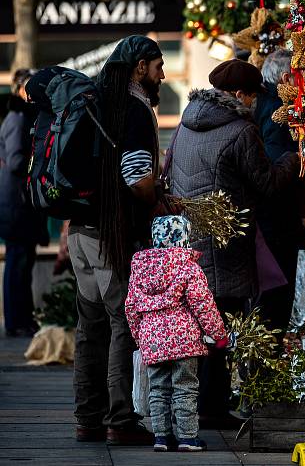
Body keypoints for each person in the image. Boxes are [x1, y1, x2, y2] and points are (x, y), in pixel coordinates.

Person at [166, 59, 299, 427]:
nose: (256, 104)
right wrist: (294, 159)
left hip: (191, 237)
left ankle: (197, 404)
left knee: (202, 321)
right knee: (221, 321)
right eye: (254, 97)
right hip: (226, 241)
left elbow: (168, 171)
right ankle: (211, 407)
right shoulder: (241, 130)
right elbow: (267, 182)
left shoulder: (187, 122)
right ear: (241, 95)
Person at [67, 35, 164, 445]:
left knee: (90, 326)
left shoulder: (96, 104)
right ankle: (119, 421)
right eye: (158, 66)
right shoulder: (134, 111)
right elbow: (137, 176)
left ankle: (87, 419)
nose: (162, 75)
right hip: (111, 235)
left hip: (80, 233)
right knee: (122, 321)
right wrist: (158, 200)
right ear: (140, 67)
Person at [125, 215, 227, 453]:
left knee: (158, 389)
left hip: (152, 340)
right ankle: (188, 438)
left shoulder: (140, 267)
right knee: (185, 388)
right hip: (184, 341)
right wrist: (218, 334)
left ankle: (161, 437)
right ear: (186, 238)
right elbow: (203, 304)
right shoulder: (188, 266)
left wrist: (139, 337)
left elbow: (130, 306)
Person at [255, 50, 305, 332]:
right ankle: (267, 366)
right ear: (286, 78)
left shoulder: (265, 105)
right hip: (279, 220)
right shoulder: (279, 115)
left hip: (273, 219)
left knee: (270, 296)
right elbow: (278, 172)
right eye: (301, 77)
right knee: (275, 298)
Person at [0, 68, 48, 337]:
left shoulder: (20, 116)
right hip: (16, 206)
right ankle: (17, 322)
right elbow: (17, 161)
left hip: (17, 204)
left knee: (22, 263)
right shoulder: (18, 119)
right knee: (18, 263)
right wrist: (38, 163)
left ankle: (21, 320)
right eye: (30, 87)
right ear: (20, 89)